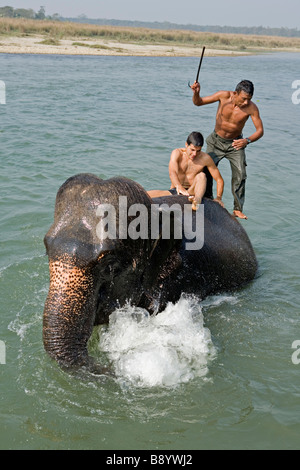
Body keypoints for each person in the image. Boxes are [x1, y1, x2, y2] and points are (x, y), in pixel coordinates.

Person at [190, 79, 264, 219]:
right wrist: (196, 93)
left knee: (241, 173)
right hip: (216, 141)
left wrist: (246, 140)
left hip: (235, 143)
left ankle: (237, 208)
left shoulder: (252, 108)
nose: (246, 102)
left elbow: (260, 131)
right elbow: (198, 102)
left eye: (249, 99)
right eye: (244, 98)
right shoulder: (223, 96)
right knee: (206, 170)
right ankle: (208, 198)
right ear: (235, 93)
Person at [148, 131, 224, 211]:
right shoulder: (177, 153)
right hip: (176, 190)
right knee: (145, 195)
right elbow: (172, 172)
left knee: (202, 175)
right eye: (192, 150)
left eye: (198, 151)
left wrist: (218, 197)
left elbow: (219, 179)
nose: (194, 154)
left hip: (192, 190)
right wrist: (179, 186)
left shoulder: (205, 158)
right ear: (186, 145)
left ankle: (197, 201)